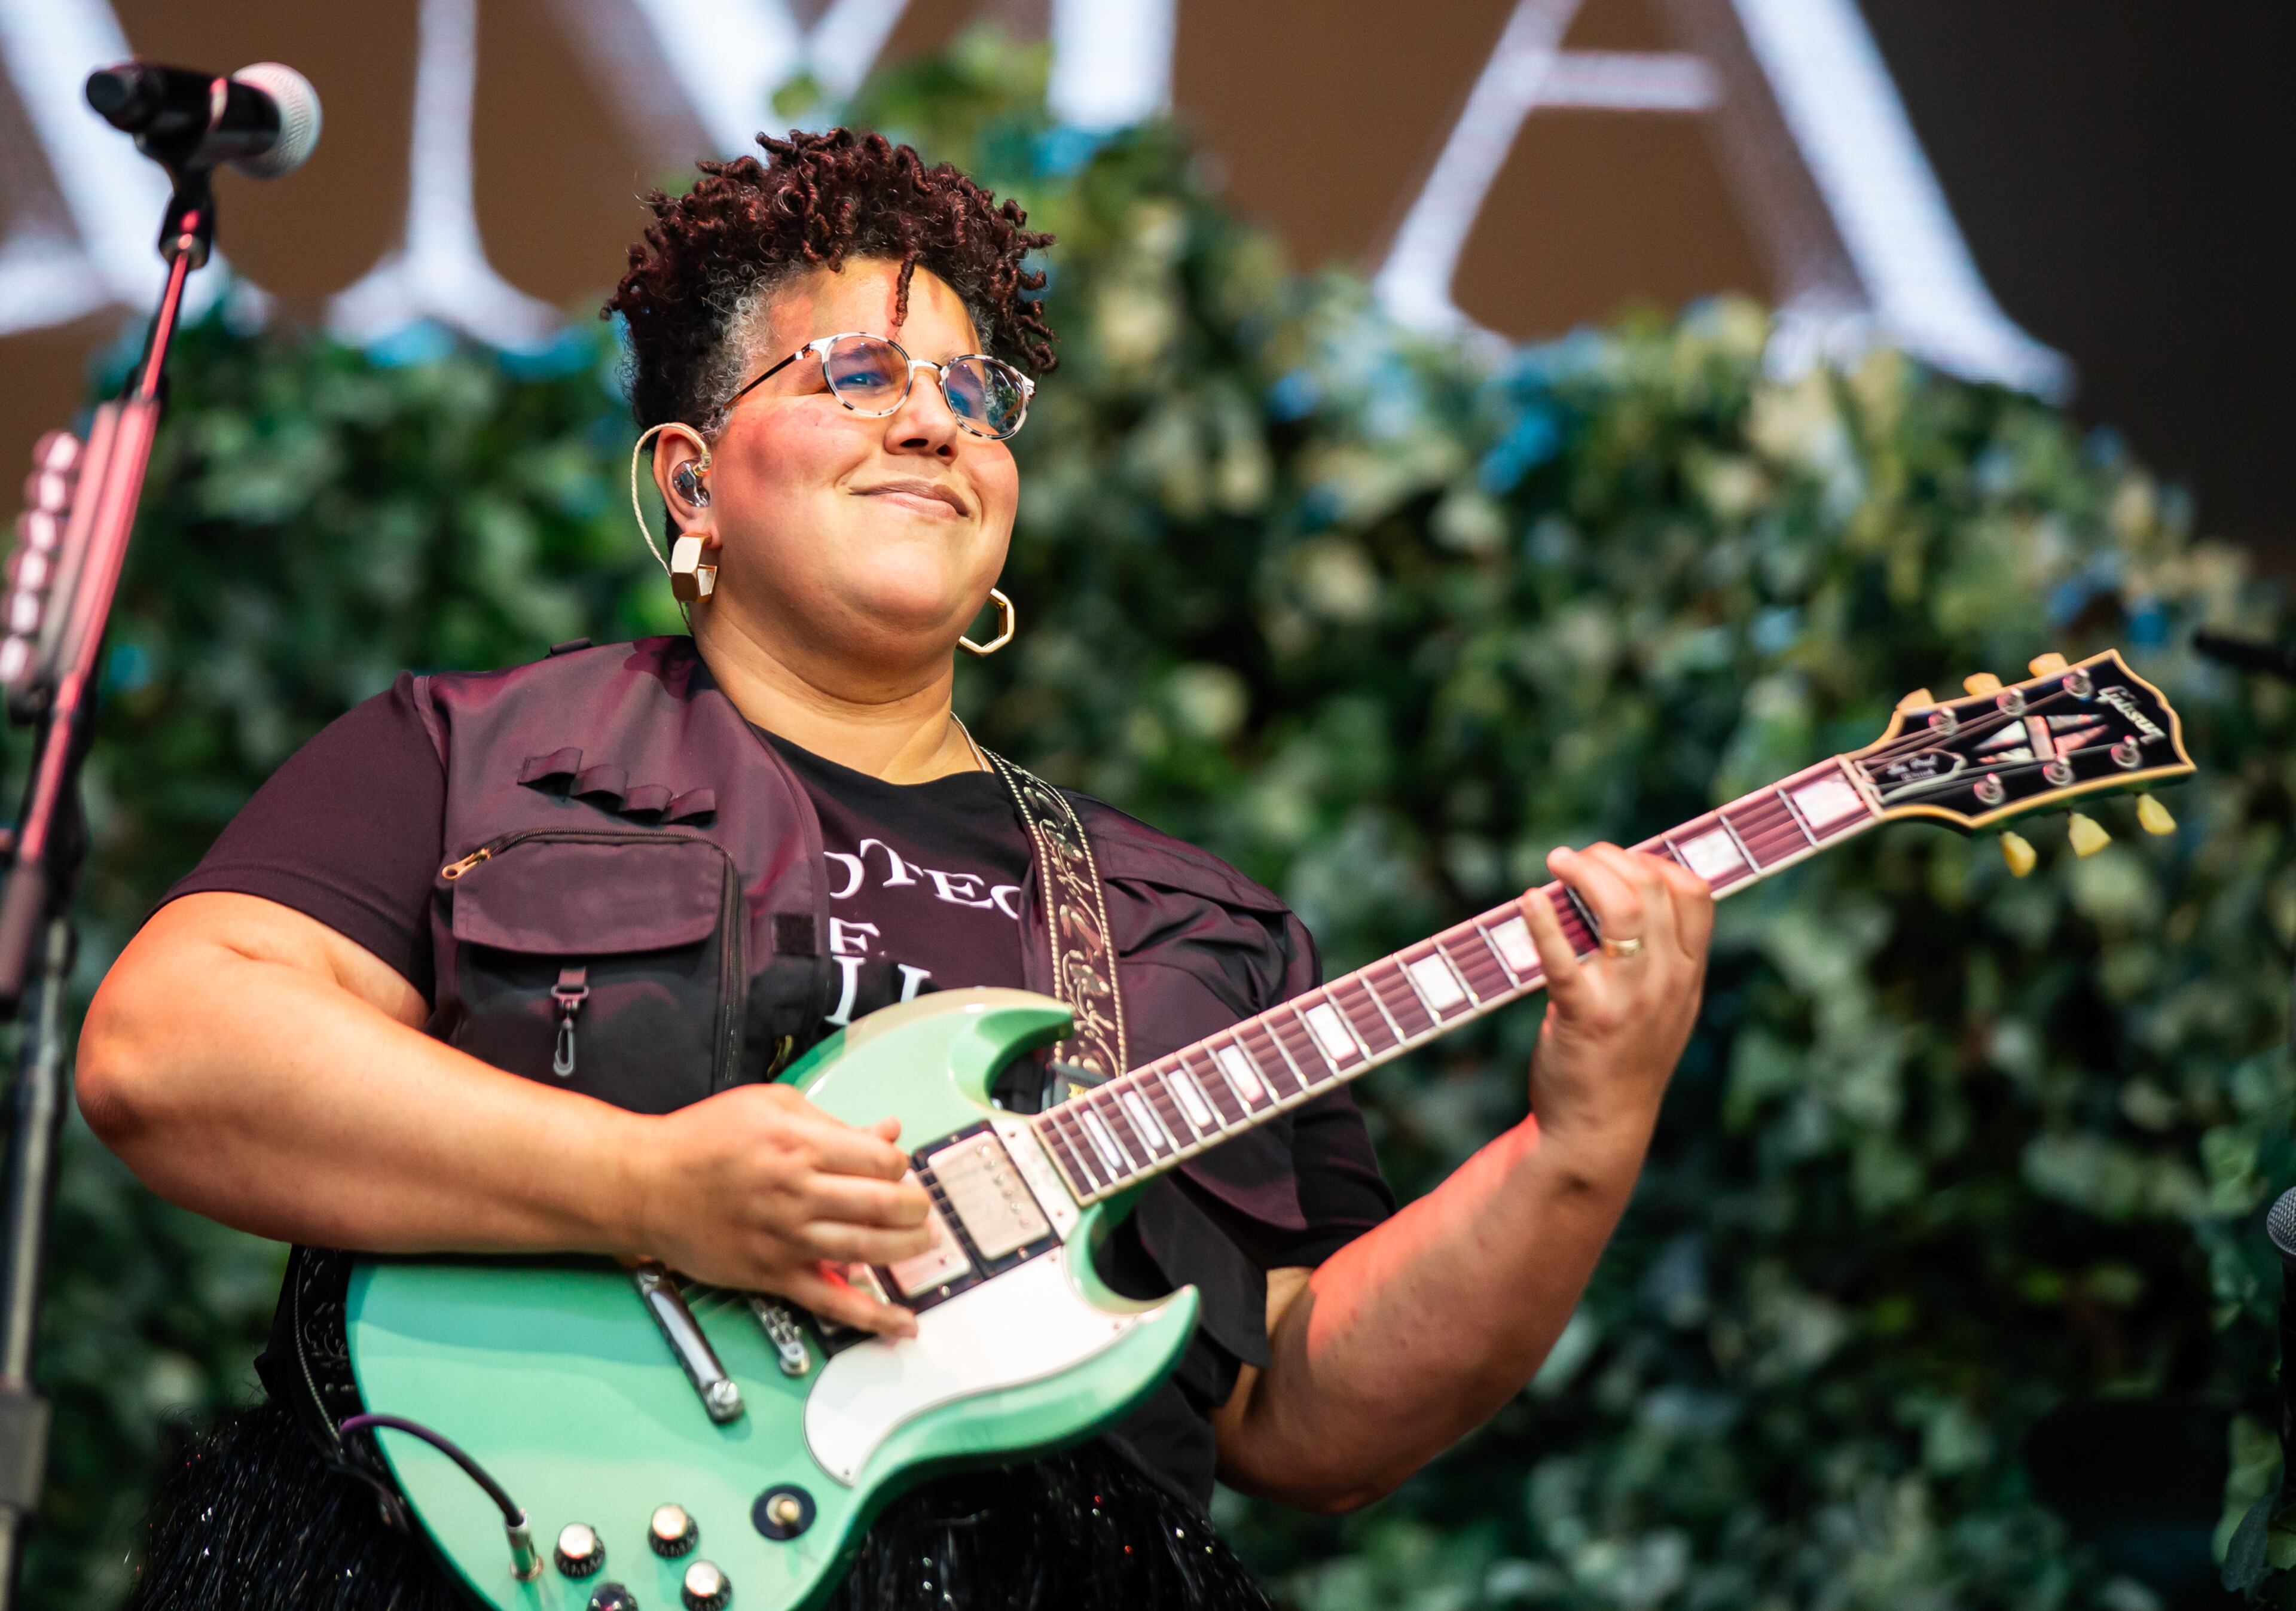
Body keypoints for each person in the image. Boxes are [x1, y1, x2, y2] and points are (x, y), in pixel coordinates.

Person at [75, 129, 1714, 1610]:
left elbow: (1304, 1413)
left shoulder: (1190, 924)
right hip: (469, 1558)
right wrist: (650, 1191)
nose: (936, 415)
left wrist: (1583, 1138)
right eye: (854, 372)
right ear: (690, 480)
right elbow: (172, 1053)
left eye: (975, 391)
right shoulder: (473, 754)